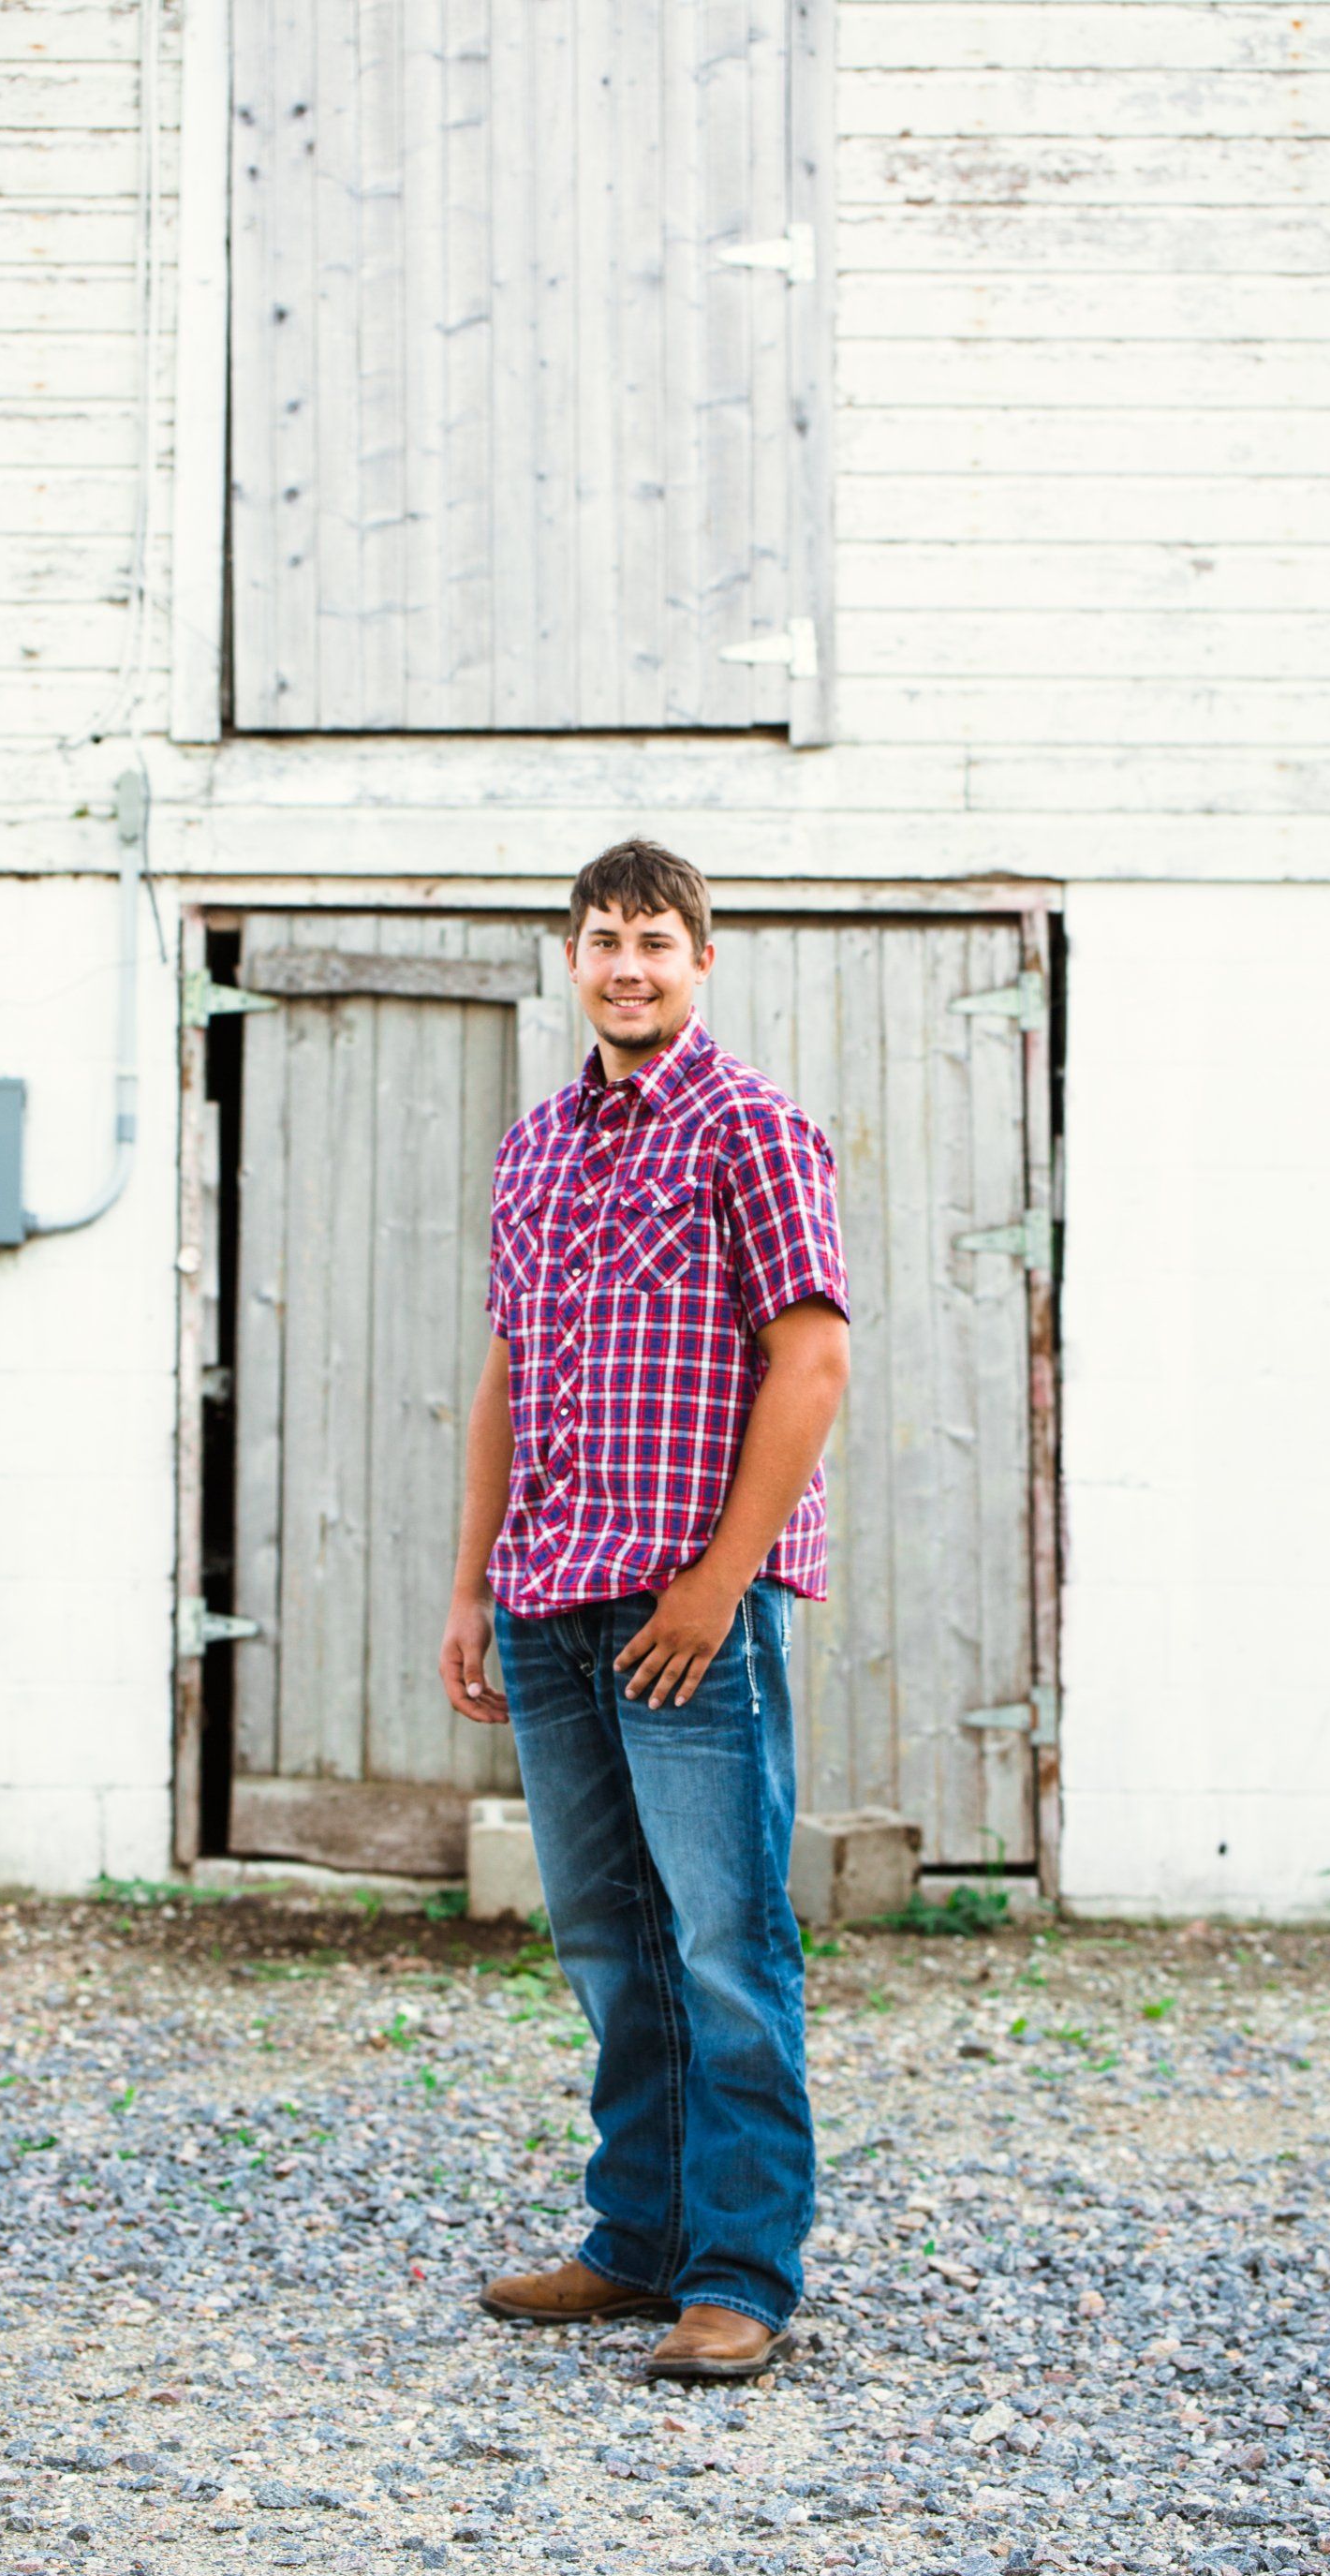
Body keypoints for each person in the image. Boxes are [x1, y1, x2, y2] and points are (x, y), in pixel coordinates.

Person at [438, 839, 851, 2382]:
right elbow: (504, 1374)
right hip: (550, 1603)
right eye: (605, 937)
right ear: (571, 957)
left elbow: (811, 1363)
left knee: (727, 1943)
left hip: (689, 1608)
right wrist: (476, 1578)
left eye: (658, 940)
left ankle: (739, 2270)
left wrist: (719, 1578)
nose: (629, 963)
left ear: (702, 961)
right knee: (610, 1942)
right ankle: (634, 2240)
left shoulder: (751, 1128)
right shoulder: (536, 1146)